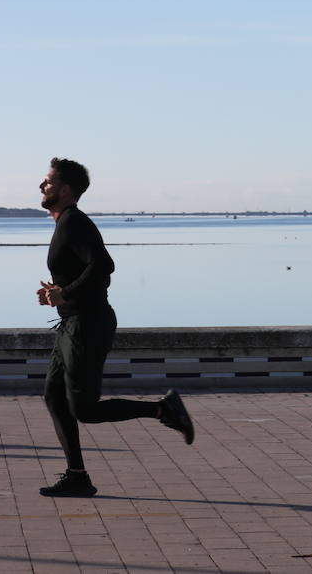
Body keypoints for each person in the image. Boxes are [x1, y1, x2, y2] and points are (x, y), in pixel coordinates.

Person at [36, 157, 195, 498]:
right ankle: (77, 475)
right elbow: (85, 270)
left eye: (47, 182)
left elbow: (104, 265)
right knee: (54, 396)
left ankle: (162, 409)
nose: (41, 186)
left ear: (65, 190)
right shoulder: (65, 221)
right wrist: (56, 291)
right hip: (71, 323)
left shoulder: (74, 222)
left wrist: (66, 292)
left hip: (88, 325)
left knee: (85, 410)